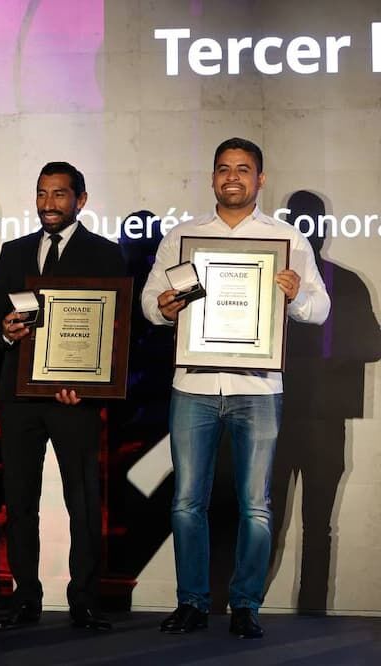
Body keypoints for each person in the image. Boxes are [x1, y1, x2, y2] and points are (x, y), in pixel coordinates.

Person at [141, 138, 330, 639]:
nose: (232, 177)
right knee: (187, 501)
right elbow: (149, 300)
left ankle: (246, 605)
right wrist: (162, 307)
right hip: (194, 384)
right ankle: (192, 603)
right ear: (212, 177)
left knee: (256, 505)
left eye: (243, 169)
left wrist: (296, 295)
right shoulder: (184, 237)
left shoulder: (285, 239)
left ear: (260, 179)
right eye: (223, 168)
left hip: (259, 387)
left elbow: (320, 309)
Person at [0, 161, 124, 632]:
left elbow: (116, 330)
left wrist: (87, 384)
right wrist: (4, 330)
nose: (48, 203)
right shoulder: (15, 251)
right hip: (19, 396)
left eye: (59, 194)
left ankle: (84, 599)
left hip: (74, 399)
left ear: (81, 200)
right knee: (20, 501)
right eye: (42, 193)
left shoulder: (105, 254)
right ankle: (26, 597)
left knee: (82, 501)